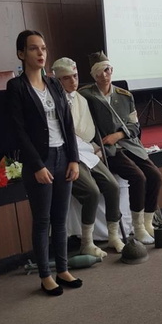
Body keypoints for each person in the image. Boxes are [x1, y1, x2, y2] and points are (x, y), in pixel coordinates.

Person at [7, 30, 82, 296]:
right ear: (21, 54)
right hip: (40, 160)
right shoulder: (16, 87)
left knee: (60, 219)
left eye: (43, 48)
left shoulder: (54, 84)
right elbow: (18, 131)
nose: (41, 53)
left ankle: (62, 270)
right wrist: (38, 165)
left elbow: (68, 123)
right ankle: (45, 276)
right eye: (33, 48)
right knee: (42, 220)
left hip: (63, 155)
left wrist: (74, 158)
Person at [79, 52, 162, 244]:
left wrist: (119, 135)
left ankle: (147, 222)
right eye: (99, 72)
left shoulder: (125, 96)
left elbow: (135, 126)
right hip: (108, 149)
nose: (104, 75)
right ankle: (138, 228)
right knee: (138, 177)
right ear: (93, 75)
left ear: (112, 70)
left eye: (107, 70)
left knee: (155, 176)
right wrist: (97, 145)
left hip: (129, 145)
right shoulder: (86, 96)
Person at [52, 57, 124, 255]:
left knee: (113, 186)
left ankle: (113, 236)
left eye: (75, 76)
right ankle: (87, 242)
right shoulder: (52, 101)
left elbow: (87, 131)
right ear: (58, 80)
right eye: (67, 78)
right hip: (65, 153)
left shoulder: (81, 99)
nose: (73, 81)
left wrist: (92, 147)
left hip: (84, 149)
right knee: (91, 191)